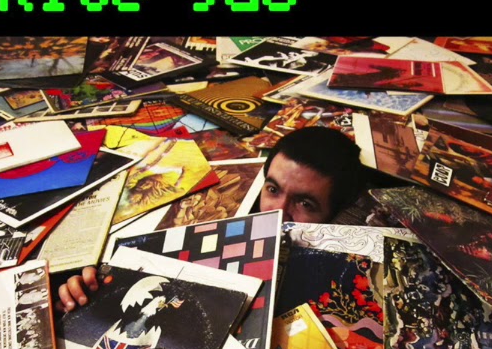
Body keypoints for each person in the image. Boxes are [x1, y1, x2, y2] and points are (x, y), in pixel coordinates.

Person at [55, 127, 366, 312]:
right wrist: (86, 291)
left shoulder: (340, 279)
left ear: (336, 214)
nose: (277, 211)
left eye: (305, 203)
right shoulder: (214, 233)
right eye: (273, 189)